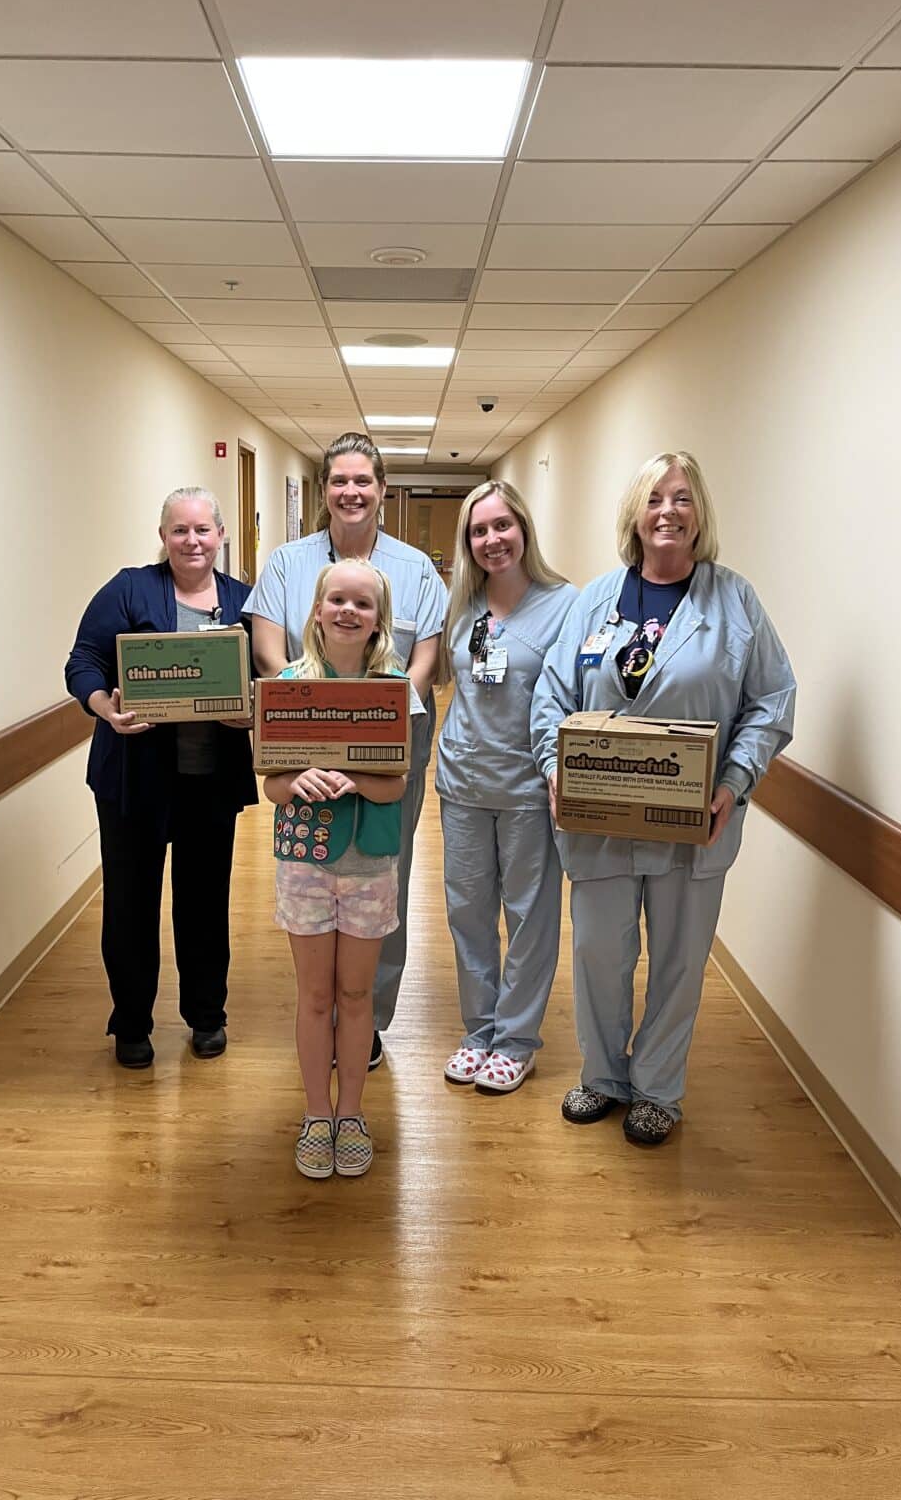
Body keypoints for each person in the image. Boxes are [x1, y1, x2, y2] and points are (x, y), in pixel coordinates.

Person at [531, 452, 795, 1145]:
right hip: (600, 822)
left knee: (678, 961)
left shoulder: (734, 602)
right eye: (654, 499)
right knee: (597, 953)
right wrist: (553, 766)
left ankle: (657, 1090)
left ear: (699, 513)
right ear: (636, 515)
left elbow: (772, 699)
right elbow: (551, 697)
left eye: (681, 498)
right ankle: (601, 1076)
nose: (668, 512)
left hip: (691, 824)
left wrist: (735, 781)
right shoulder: (595, 600)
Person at [245, 432, 446, 1068]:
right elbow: (269, 649)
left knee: (386, 865)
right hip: (303, 728)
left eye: (364, 482)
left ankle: (367, 1018)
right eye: (339, 482)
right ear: (323, 490)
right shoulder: (285, 562)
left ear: (382, 491)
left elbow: (425, 657)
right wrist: (315, 712)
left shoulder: (415, 568)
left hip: (394, 729)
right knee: (313, 867)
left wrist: (372, 717)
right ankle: (319, 1012)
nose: (351, 492)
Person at [65, 486, 257, 1069]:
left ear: (222, 535)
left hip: (208, 782)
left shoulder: (244, 602)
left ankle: (206, 1016)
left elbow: (274, 675)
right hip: (134, 782)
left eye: (203, 530)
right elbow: (83, 662)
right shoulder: (128, 589)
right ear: (163, 536)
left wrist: (252, 710)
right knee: (130, 904)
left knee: (203, 905)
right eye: (180, 530)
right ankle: (131, 1025)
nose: (192, 541)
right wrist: (106, 707)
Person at [262, 561, 414, 1179]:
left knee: (356, 996)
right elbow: (272, 785)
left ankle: (351, 1113)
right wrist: (297, 777)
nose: (348, 611)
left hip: (368, 866)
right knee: (315, 995)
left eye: (363, 603)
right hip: (305, 862)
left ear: (379, 619)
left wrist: (354, 777)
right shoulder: (291, 684)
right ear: (318, 610)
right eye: (337, 600)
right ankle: (316, 1115)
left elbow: (397, 784)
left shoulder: (392, 686)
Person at [436, 481, 579, 1093]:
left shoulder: (566, 604)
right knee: (467, 915)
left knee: (529, 917)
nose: (491, 540)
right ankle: (480, 1030)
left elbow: (574, 696)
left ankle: (516, 1039)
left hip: (527, 788)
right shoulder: (462, 603)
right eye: (478, 530)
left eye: (502, 526)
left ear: (524, 529)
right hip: (462, 782)